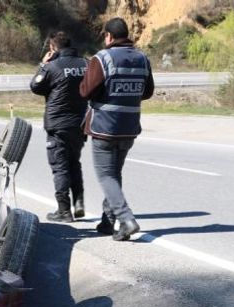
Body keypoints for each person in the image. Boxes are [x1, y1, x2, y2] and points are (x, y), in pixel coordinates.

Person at [79, 17, 154, 241]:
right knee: (114, 173)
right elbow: (148, 91)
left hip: (104, 126)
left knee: (106, 176)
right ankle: (107, 221)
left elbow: (85, 91)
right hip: (129, 126)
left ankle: (126, 219)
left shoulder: (102, 58)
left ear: (109, 36)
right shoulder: (143, 58)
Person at [30, 31, 88, 223]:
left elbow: (35, 86)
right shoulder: (85, 64)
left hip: (58, 125)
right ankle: (79, 202)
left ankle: (64, 211)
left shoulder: (52, 67)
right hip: (79, 123)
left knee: (60, 167)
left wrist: (43, 64)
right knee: (74, 163)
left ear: (53, 49)